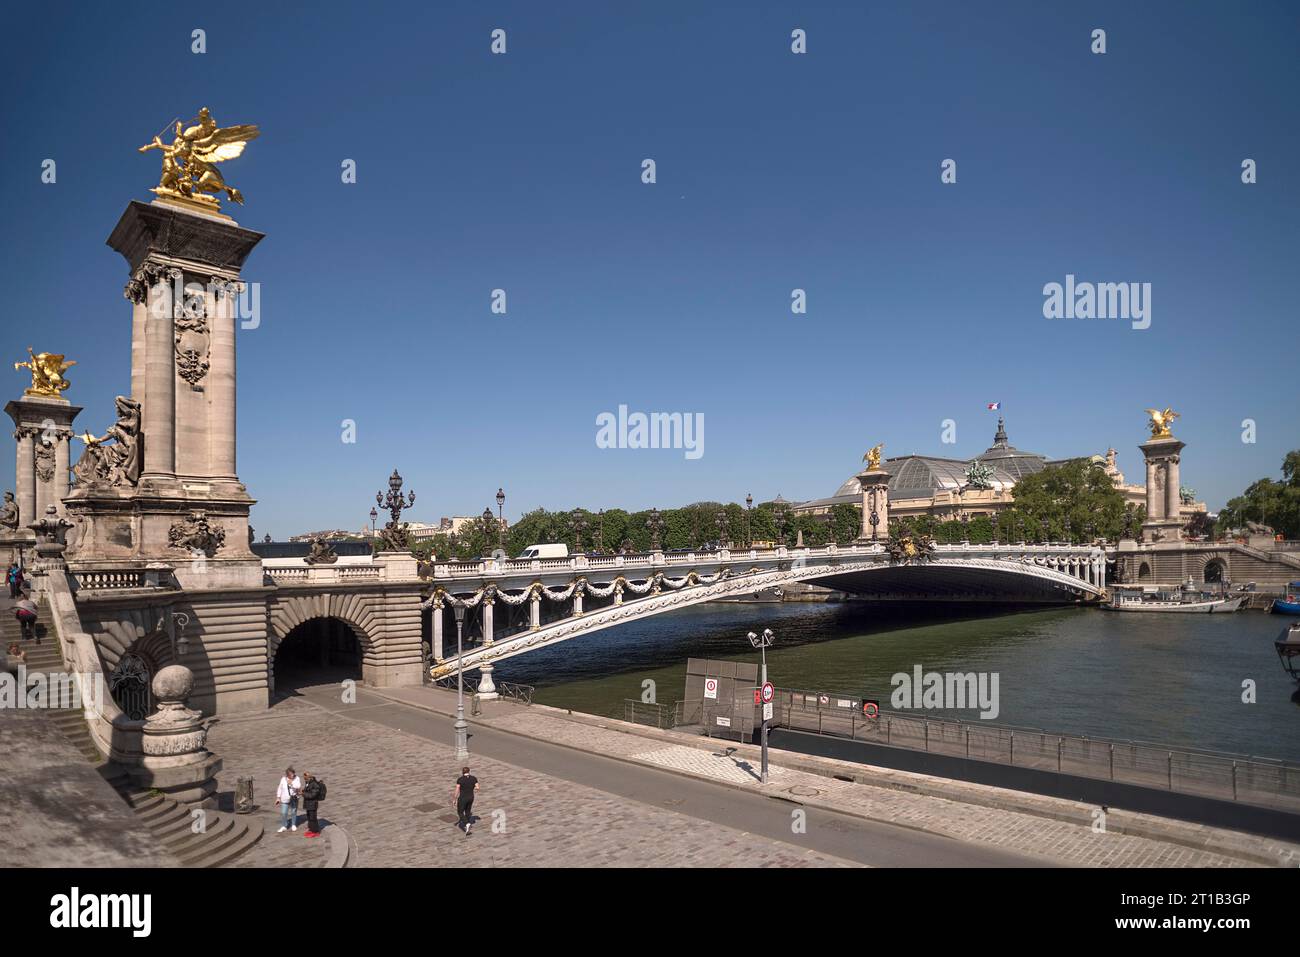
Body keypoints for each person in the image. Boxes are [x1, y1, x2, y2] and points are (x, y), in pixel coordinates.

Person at [454, 766, 479, 835]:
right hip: (471, 797)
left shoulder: (460, 779)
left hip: (463, 798)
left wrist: (455, 799)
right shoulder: (473, 778)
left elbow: (457, 790)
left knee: (460, 812)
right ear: (469, 771)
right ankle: (468, 828)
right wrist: (472, 788)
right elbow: (477, 787)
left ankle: (467, 824)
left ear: (462, 772)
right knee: (468, 811)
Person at [275, 767, 301, 833]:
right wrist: (278, 797)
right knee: (284, 813)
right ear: (287, 775)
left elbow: (298, 786)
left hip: (293, 798)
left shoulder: (297, 778)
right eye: (290, 774)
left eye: (293, 774)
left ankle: (293, 824)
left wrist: (291, 784)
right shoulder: (283, 779)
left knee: (293, 812)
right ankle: (284, 826)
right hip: (285, 799)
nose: (292, 775)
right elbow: (280, 788)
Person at [301, 772, 324, 838]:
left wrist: (303, 794)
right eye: (304, 779)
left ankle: (315, 831)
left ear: (309, 778)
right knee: (309, 817)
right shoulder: (308, 783)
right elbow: (308, 791)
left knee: (313, 818)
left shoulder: (315, 784)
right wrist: (303, 791)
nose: (305, 780)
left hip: (312, 804)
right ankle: (311, 829)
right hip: (308, 804)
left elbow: (312, 795)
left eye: (306, 779)